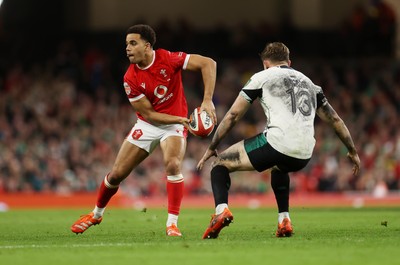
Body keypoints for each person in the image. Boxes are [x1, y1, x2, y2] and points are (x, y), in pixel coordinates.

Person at [197, 42, 360, 239]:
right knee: (279, 168)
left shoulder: (262, 77)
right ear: (289, 62)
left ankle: (221, 211)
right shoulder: (310, 83)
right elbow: (335, 119)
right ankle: (284, 220)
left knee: (219, 164)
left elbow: (233, 115)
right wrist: (352, 150)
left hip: (278, 143)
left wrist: (212, 146)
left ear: (265, 64)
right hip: (305, 152)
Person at [71, 24, 217, 237]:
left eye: (133, 43)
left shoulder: (168, 58)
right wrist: (181, 119)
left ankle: (172, 224)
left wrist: (207, 101)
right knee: (116, 174)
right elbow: (148, 114)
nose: (127, 48)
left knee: (173, 164)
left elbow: (208, 63)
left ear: (147, 46)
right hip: (149, 124)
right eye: (126, 44)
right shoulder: (130, 78)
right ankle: (96, 214)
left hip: (174, 126)